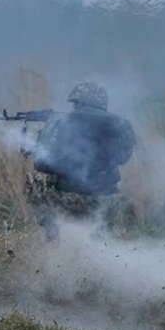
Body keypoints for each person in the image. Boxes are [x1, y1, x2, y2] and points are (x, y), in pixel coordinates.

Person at [24, 80, 137, 241]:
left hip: (70, 198)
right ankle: (103, 232)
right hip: (107, 199)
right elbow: (122, 158)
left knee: (35, 180)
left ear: (80, 102)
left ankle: (52, 233)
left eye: (75, 103)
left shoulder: (62, 122)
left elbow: (44, 164)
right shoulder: (119, 123)